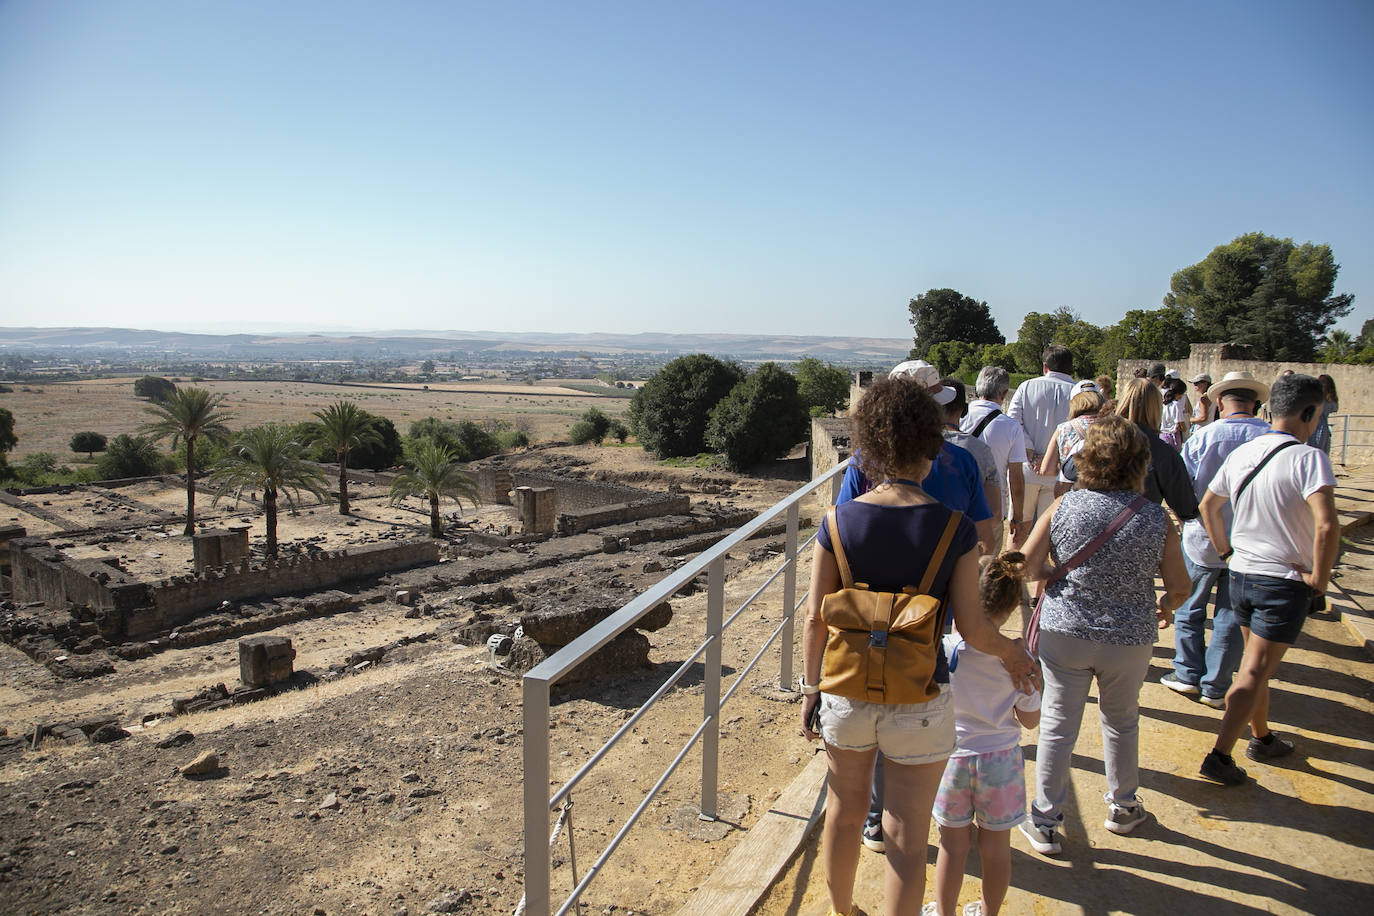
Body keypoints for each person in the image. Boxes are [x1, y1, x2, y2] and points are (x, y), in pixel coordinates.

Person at [800, 376, 1039, 916]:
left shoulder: (838, 521)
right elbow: (974, 631)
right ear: (932, 444)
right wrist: (1012, 654)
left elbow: (815, 620)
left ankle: (843, 910)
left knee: (844, 810)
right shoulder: (953, 528)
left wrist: (810, 690)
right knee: (906, 828)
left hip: (846, 689)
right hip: (919, 694)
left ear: (872, 448)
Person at [836, 360, 995, 855]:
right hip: (940, 614)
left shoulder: (864, 463)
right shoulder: (965, 459)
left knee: (878, 693)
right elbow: (986, 540)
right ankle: (928, 805)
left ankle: (878, 818)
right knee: (922, 703)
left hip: (870, 622)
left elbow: (842, 531)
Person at [1018, 415, 1190, 856]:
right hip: (1129, 638)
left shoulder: (1064, 507)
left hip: (1065, 632)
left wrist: (1059, 574)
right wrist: (1165, 607)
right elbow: (1180, 587)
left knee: (1057, 724)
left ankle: (1046, 820)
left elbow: (1028, 568)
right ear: (1140, 464)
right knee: (1121, 720)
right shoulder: (1155, 518)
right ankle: (1124, 806)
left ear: (1086, 459)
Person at [1197, 374, 1340, 786]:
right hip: (1283, 579)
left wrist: (1225, 551)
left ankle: (1261, 736)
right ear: (1310, 413)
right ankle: (1221, 755)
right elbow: (1327, 526)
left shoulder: (1245, 452)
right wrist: (1320, 580)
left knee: (1253, 667)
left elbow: (1209, 504)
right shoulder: (1309, 458)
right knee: (1255, 670)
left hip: (1241, 573)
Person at [929, 553, 1041, 916]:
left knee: (952, 847)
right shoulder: (1019, 660)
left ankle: (944, 911)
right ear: (1011, 606)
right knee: (996, 850)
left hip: (953, 758)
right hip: (1002, 761)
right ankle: (988, 912)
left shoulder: (945, 651)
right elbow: (1030, 720)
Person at [1163, 371, 1271, 708]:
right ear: (1255, 404)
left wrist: (1184, 520)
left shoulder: (1203, 438)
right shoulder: (1272, 438)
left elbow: (1185, 487)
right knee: (1231, 613)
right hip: (1251, 543)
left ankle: (1188, 673)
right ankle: (1216, 684)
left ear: (1221, 402)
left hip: (1202, 536)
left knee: (1189, 604)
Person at [1007, 346, 1074, 533]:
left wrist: (1030, 451)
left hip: (1027, 467)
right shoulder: (1077, 392)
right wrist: (1056, 460)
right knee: (1047, 534)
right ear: (1070, 368)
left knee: (1018, 528)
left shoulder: (1027, 386)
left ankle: (1013, 562)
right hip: (1060, 473)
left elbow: (1012, 422)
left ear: (1045, 367)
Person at [962, 366, 1029, 554]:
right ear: (1004, 393)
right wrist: (1017, 516)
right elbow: (1016, 476)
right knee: (986, 569)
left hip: (959, 502)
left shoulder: (959, 416)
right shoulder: (1011, 427)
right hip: (991, 508)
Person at [1113, 379, 1199, 521]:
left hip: (1094, 533)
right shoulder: (1163, 453)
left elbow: (1070, 473)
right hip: (1142, 529)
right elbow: (1186, 508)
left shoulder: (1097, 441)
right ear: (1156, 407)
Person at [941, 376, 1001, 553]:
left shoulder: (912, 446)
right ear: (964, 410)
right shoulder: (980, 451)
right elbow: (995, 512)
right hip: (965, 545)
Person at [1037, 381, 1103, 497]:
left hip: (1073, 496)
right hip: (1108, 497)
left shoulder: (1064, 429)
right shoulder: (1114, 427)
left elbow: (1046, 469)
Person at [1307, 374, 1338, 454]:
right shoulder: (1331, 398)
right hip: (1323, 427)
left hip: (1314, 425)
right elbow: (1334, 408)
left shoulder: (1317, 397)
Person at [1160, 378, 1188, 449]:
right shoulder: (1176, 405)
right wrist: (1185, 429)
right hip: (1173, 437)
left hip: (1162, 435)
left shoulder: (1164, 404)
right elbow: (1181, 423)